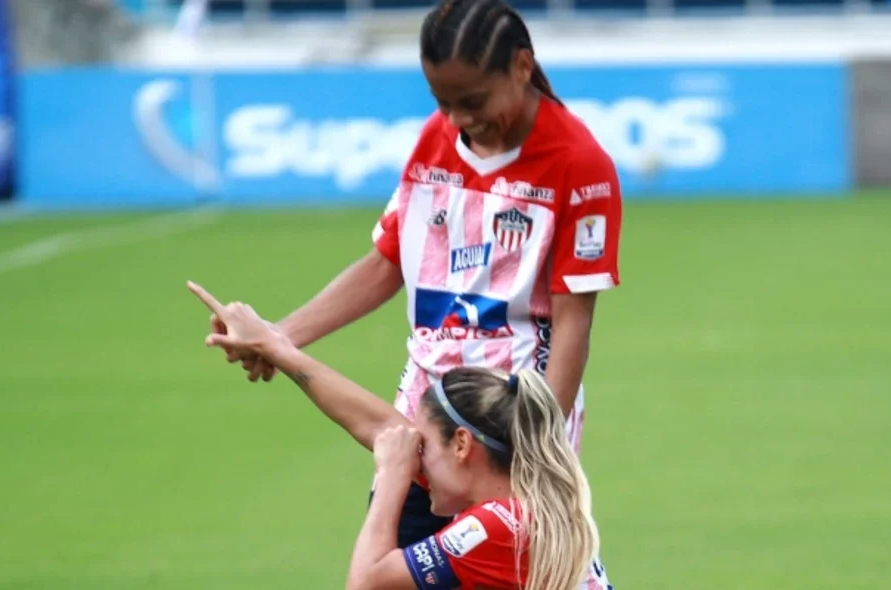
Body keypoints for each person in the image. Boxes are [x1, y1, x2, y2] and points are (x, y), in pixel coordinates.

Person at [220, 0, 623, 548]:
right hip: (423, 427)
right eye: (443, 102)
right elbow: (388, 264)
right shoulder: (435, 141)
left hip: (511, 434)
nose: (458, 119)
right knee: (387, 574)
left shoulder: (578, 163)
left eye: (473, 100)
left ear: (523, 68)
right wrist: (277, 337)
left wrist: (538, 450)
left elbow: (575, 322)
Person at [189, 281, 615, 590]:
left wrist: (393, 474)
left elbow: (366, 584)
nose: (415, 455)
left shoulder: (496, 525)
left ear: (463, 445)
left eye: (423, 447)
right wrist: (275, 346)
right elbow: (380, 425)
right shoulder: (524, 498)